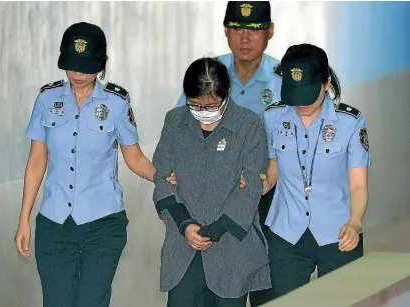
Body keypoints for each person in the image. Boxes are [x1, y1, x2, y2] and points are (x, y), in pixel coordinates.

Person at [14, 22, 155, 307]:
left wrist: (167, 176)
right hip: (54, 225)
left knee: (92, 301)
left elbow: (134, 158)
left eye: (86, 66)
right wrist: (23, 220)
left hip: (103, 226)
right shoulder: (46, 99)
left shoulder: (117, 102)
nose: (78, 73)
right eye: (72, 65)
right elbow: (36, 162)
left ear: (101, 64)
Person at [172, 3, 281, 304]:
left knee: (265, 291)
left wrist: (268, 178)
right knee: (214, 290)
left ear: (270, 31)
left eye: (254, 29)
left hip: (268, 201)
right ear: (225, 31)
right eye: (237, 28)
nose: (245, 37)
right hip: (214, 202)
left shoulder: (283, 80)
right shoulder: (208, 73)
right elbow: (181, 130)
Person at [153, 57, 271, 307]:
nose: (203, 112)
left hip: (231, 247)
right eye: (195, 105)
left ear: (225, 95)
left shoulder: (248, 125)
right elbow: (162, 177)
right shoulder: (174, 122)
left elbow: (249, 188)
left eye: (211, 105)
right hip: (183, 246)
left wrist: (212, 232)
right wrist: (186, 225)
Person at [262, 43, 370, 298]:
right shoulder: (273, 117)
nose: (300, 104)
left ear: (326, 82)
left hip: (339, 233)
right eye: (293, 93)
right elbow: (273, 167)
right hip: (286, 233)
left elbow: (358, 185)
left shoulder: (350, 122)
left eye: (307, 93)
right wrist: (262, 182)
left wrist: (355, 222)